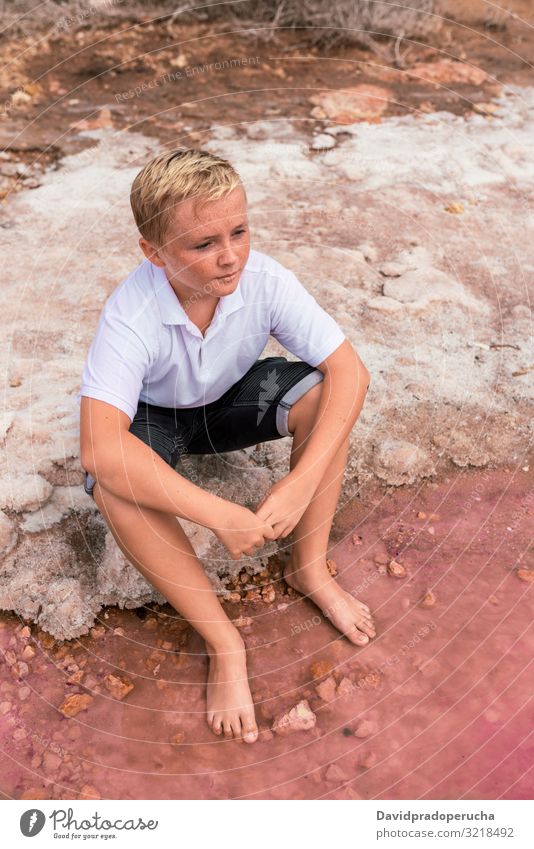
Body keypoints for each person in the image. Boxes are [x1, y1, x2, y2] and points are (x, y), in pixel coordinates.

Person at [78, 148, 375, 745]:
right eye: (202, 244)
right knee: (113, 482)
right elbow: (99, 450)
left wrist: (299, 480)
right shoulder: (130, 314)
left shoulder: (264, 279)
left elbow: (351, 372)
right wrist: (219, 516)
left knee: (323, 398)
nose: (230, 254)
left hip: (228, 400)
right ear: (154, 252)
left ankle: (309, 569)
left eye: (238, 231)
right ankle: (223, 640)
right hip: (156, 418)